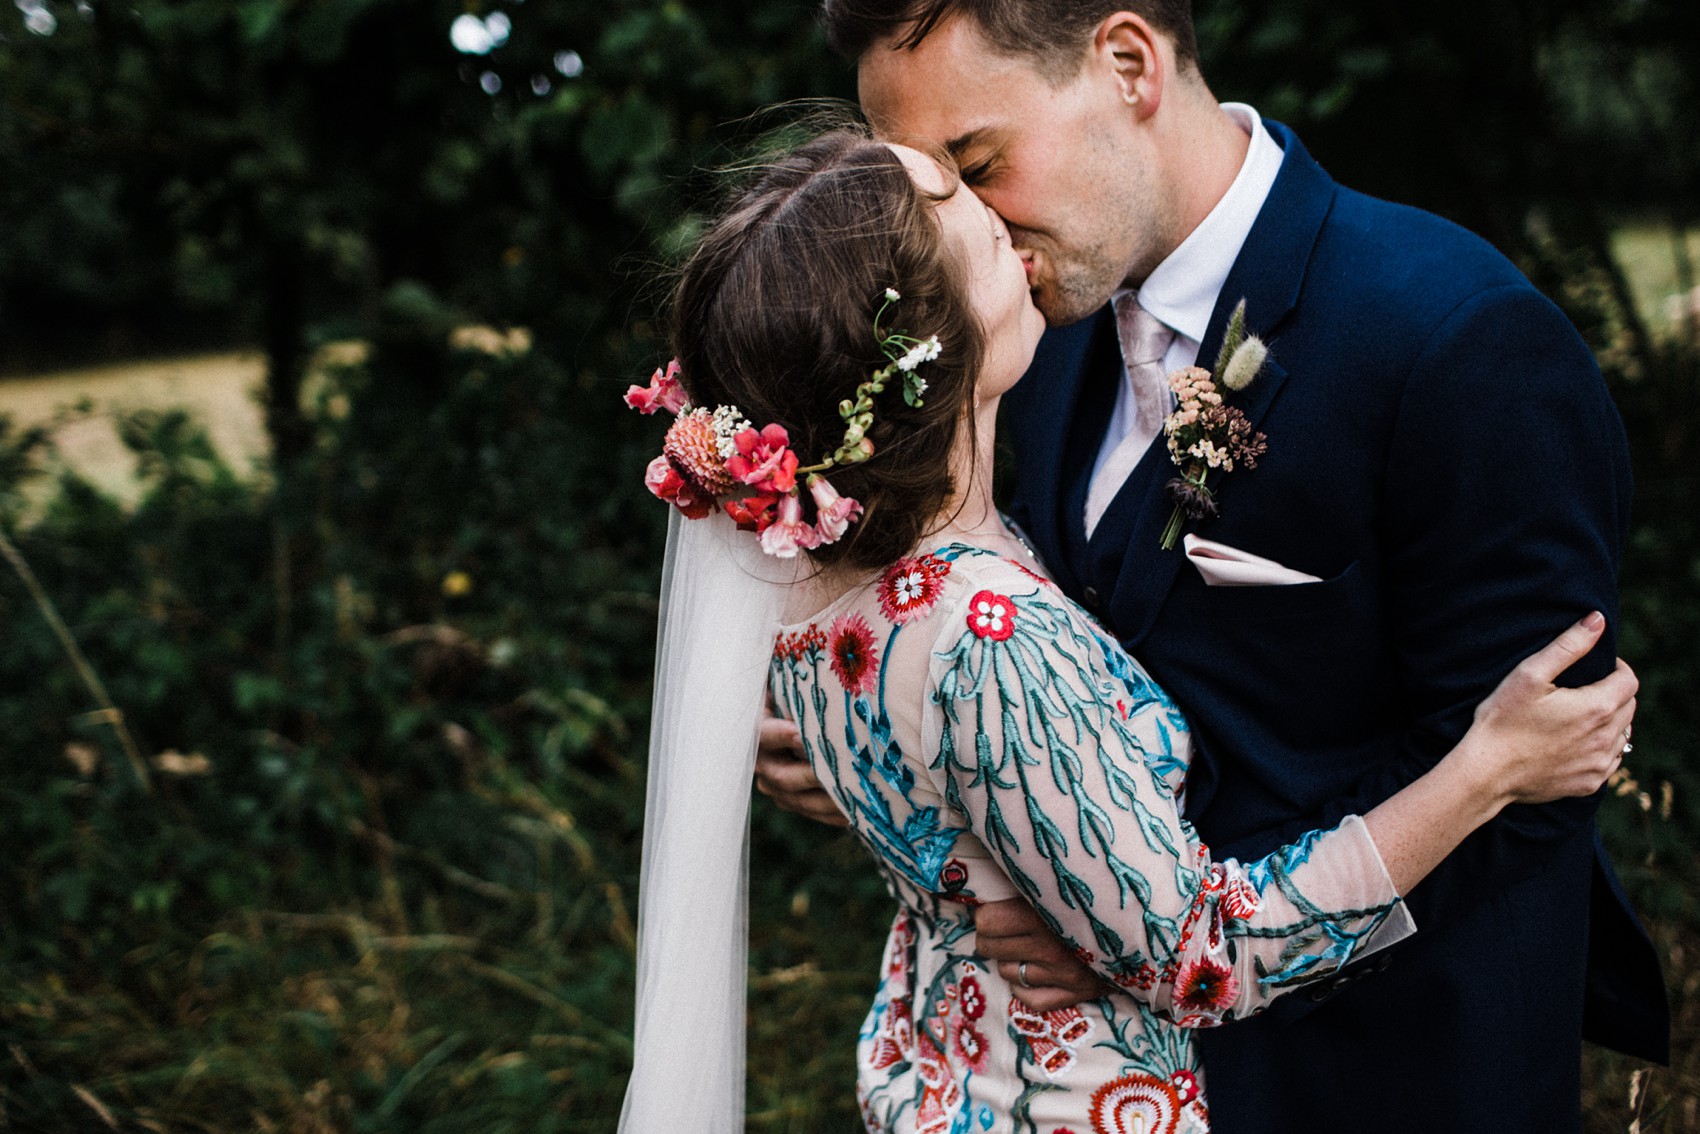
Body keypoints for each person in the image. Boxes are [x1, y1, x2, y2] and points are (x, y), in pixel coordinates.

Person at [748, 3, 1670, 1131]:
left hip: (1374, 1078)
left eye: (976, 162)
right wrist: (875, 752)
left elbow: (1533, 783)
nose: (959, 224)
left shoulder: (1455, 339)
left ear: (1128, 63)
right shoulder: (1008, 337)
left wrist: (1125, 923)